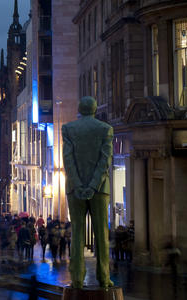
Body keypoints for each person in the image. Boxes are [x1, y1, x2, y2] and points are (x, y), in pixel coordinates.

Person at [62, 96, 114, 289]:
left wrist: (78, 184)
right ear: (94, 109)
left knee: (77, 232)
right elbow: (105, 160)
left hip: (75, 189)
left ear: (79, 109)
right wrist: (93, 185)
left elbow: (68, 160)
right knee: (102, 234)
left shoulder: (68, 129)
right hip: (99, 189)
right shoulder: (105, 129)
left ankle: (76, 277)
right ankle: (104, 277)